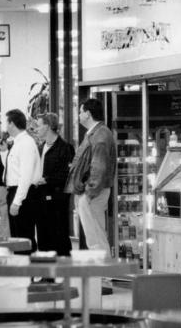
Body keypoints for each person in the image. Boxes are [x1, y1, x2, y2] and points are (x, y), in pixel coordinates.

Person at [65, 99, 117, 255]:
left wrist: (89, 192)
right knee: (94, 235)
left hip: (93, 193)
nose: (79, 115)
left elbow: (99, 167)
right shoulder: (96, 133)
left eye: (80, 111)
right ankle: (102, 273)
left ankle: (103, 274)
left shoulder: (100, 135)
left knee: (95, 238)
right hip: (91, 192)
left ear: (88, 114)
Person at [35, 113, 74, 256]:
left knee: (59, 235)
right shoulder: (39, 148)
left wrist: (47, 179)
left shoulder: (65, 148)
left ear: (47, 126)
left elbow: (68, 174)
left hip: (57, 200)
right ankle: (47, 274)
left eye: (39, 125)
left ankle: (64, 272)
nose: (36, 129)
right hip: (40, 198)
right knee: (43, 235)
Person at [5, 109, 41, 254]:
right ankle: (24, 272)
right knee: (17, 238)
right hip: (15, 192)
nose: (6, 127)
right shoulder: (17, 142)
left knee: (23, 237)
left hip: (23, 195)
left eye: (7, 123)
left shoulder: (26, 143)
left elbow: (25, 176)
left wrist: (17, 201)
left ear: (12, 124)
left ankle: (29, 274)